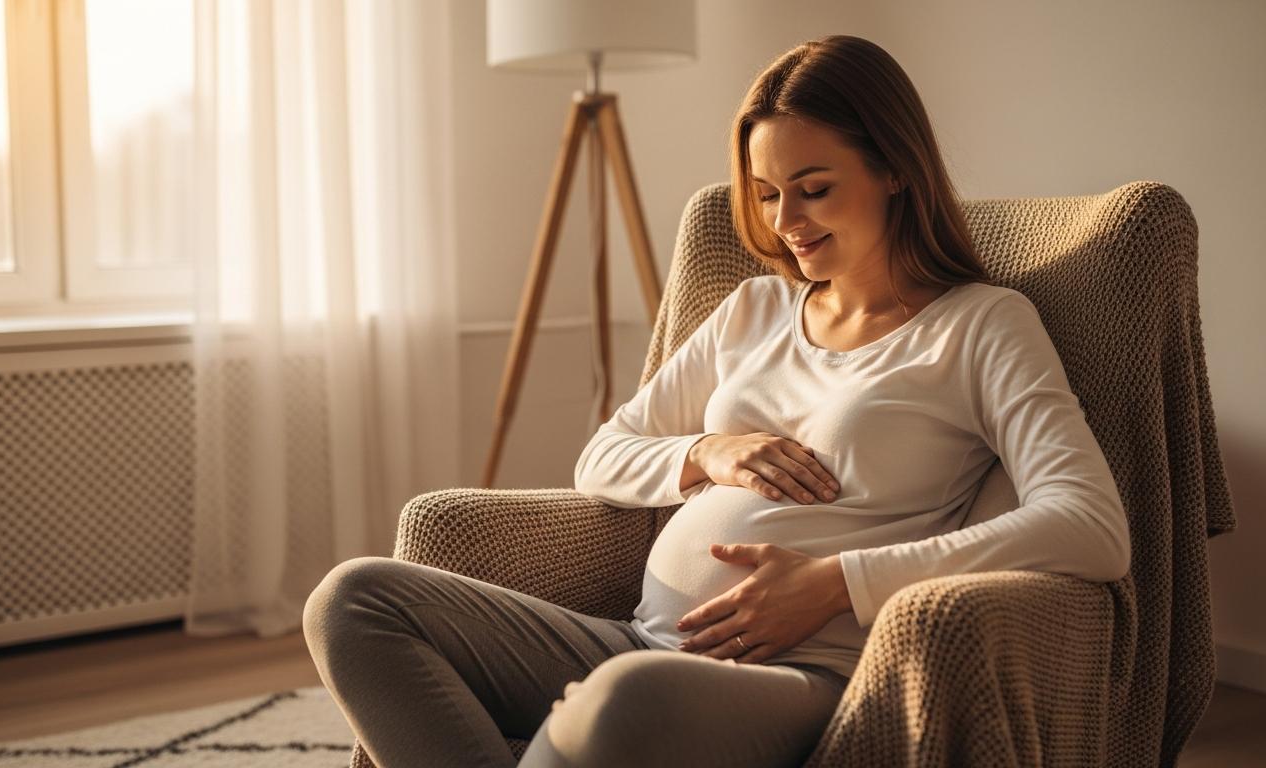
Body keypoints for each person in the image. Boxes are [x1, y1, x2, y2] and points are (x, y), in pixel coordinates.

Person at [302, 34, 1132, 768]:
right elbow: (603, 457)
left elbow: (1090, 526)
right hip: (638, 643)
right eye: (767, 193)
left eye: (813, 188)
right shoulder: (755, 310)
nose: (787, 221)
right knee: (352, 601)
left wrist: (839, 582)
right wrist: (707, 451)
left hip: (801, 678)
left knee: (625, 700)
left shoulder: (980, 325)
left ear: (894, 171)